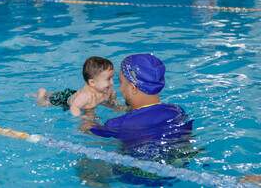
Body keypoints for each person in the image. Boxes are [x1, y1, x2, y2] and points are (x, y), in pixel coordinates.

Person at [81, 53, 194, 186]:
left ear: (133, 88)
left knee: (85, 167)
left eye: (121, 83)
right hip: (177, 169)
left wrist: (89, 110)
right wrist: (116, 107)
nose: (120, 88)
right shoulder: (176, 111)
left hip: (138, 175)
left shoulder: (118, 124)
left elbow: (86, 130)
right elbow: (145, 115)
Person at [36, 56, 127, 120]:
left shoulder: (107, 89)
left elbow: (109, 103)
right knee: (44, 103)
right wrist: (79, 117)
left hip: (82, 100)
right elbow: (74, 108)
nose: (112, 82)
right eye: (108, 79)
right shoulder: (85, 96)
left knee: (90, 111)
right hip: (66, 100)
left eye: (112, 77)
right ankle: (42, 94)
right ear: (92, 82)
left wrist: (114, 103)